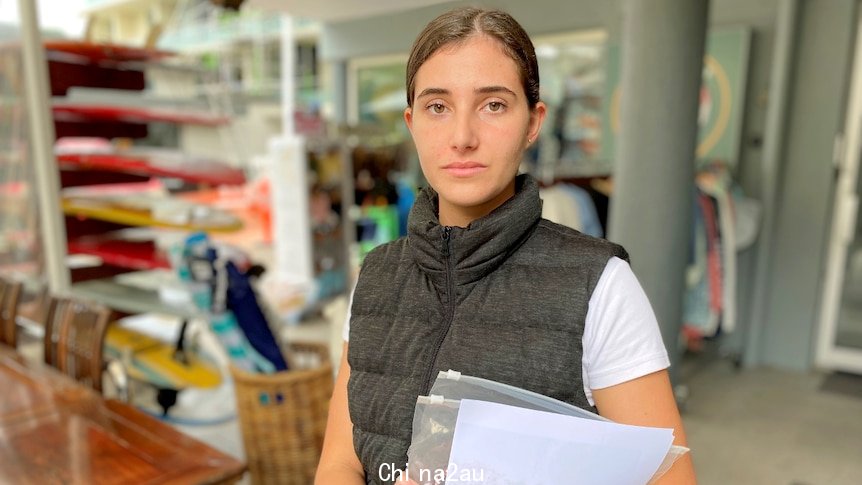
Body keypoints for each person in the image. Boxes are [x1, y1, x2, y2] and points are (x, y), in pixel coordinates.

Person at [316, 7, 696, 485]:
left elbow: (668, 479)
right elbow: (339, 462)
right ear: (412, 123)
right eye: (438, 106)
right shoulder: (375, 276)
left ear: (533, 122)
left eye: (493, 104)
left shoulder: (598, 285)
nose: (462, 137)